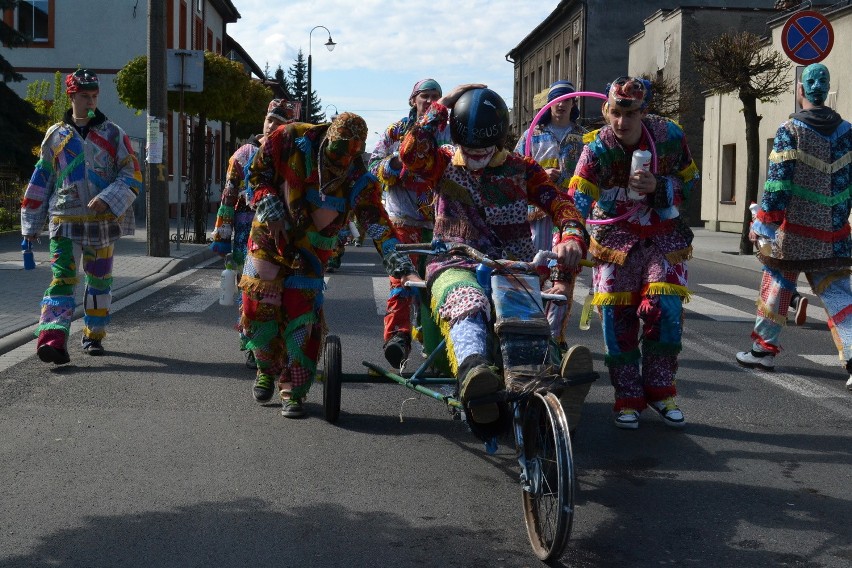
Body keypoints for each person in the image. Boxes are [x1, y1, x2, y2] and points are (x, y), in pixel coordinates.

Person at [399, 84, 591, 438]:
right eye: (468, 147)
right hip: (453, 260)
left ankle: (549, 388)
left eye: (483, 148)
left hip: (511, 265)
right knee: (467, 302)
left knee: (525, 314)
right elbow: (410, 152)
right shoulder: (440, 162)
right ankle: (475, 375)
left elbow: (563, 205)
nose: (475, 156)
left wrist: (571, 236)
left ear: (499, 138)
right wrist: (444, 104)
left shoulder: (523, 169)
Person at [242, 112, 420, 417]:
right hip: (270, 236)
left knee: (302, 318)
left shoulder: (357, 179)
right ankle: (265, 368)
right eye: (338, 151)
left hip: (311, 251)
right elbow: (256, 173)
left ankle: (292, 391)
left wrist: (398, 262)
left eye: (351, 154)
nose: (342, 160)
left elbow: (375, 220)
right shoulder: (288, 137)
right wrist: (268, 201)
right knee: (258, 310)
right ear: (328, 139)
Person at [568, 76, 699, 429]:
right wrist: (570, 238)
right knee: (616, 316)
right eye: (615, 113)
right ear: (605, 109)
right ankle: (627, 397)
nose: (622, 122)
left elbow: (690, 181)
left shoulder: (669, 136)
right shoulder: (596, 148)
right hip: (613, 239)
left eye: (631, 114)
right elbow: (577, 200)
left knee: (666, 307)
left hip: (663, 237)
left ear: (644, 111)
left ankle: (661, 391)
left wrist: (662, 186)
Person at [735, 63, 852, 391]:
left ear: (801, 91)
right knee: (839, 296)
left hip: (793, 235)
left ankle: (762, 350)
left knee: (777, 287)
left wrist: (763, 223)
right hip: (835, 236)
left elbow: (777, 187)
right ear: (826, 90)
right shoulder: (849, 132)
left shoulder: (791, 130)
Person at [21, 69, 142, 365]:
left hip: (101, 223)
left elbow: (133, 174)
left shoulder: (114, 133)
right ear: (71, 96)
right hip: (63, 220)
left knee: (99, 280)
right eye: (85, 96)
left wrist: (109, 198)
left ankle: (94, 334)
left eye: (94, 96)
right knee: (62, 278)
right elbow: (42, 178)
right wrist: (30, 223)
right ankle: (53, 340)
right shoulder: (56, 135)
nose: (90, 101)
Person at [369, 78, 452, 368]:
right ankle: (397, 338)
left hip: (442, 224)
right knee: (401, 281)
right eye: (425, 96)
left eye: (436, 97)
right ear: (413, 100)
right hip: (403, 222)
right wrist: (398, 166)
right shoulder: (396, 131)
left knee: (440, 286)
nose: (430, 101)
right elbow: (372, 165)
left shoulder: (449, 132)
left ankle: (439, 346)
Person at [210, 99, 297, 368]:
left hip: (278, 231)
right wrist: (222, 235)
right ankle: (251, 345)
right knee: (248, 291)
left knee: (276, 290)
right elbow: (228, 194)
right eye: (270, 120)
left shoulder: (291, 154)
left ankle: (275, 342)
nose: (273, 126)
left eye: (280, 123)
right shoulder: (244, 154)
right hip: (244, 231)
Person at [514, 80, 586, 348]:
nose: (561, 104)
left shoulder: (582, 136)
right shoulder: (532, 135)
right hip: (537, 213)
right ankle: (530, 331)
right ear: (549, 104)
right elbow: (512, 170)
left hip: (568, 213)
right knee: (535, 270)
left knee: (564, 272)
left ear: (573, 103)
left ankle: (556, 337)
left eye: (567, 99)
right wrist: (541, 175)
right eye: (556, 99)